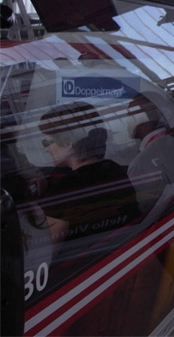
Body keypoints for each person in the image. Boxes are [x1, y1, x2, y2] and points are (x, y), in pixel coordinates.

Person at [38, 102, 140, 245]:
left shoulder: (66, 189)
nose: (46, 149)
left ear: (69, 144)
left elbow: (46, 249)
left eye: (46, 142)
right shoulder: (113, 169)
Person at [126, 94, 174, 214]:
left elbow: (145, 212)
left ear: (139, 118)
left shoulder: (139, 165)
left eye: (129, 114)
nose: (127, 118)